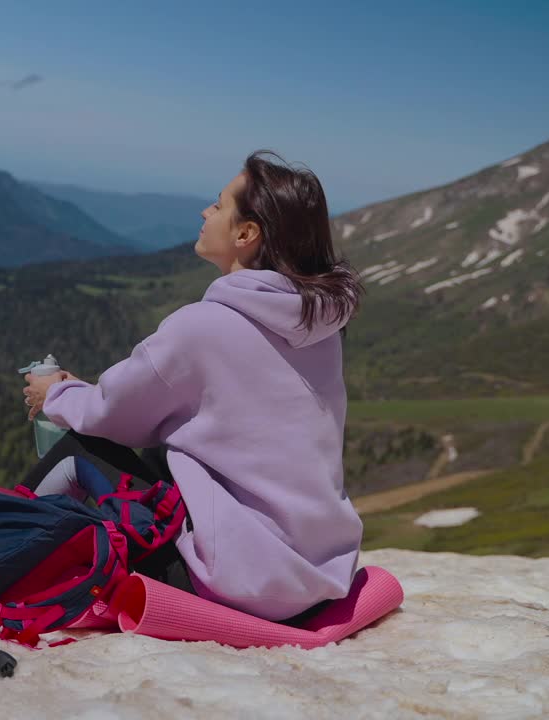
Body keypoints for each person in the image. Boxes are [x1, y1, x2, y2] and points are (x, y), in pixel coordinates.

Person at [20, 151, 364, 623]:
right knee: (164, 458)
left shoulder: (202, 327)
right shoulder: (319, 328)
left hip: (241, 581)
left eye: (218, 206)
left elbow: (111, 415)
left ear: (246, 234)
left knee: (81, 449)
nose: (206, 213)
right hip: (317, 574)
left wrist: (54, 394)